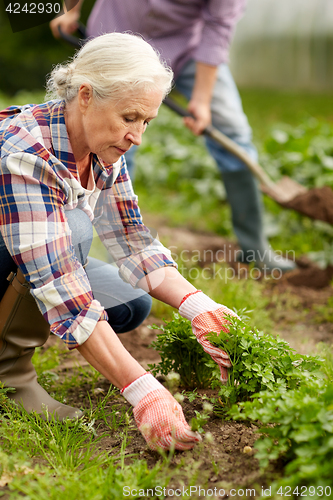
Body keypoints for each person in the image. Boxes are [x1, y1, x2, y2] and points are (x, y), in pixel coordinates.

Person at [0, 32, 240, 451]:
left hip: (29, 255)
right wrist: (143, 390)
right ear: (87, 96)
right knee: (74, 228)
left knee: (130, 302)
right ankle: (9, 374)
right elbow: (61, 285)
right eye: (130, 118)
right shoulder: (25, 152)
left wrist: (201, 308)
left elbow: (134, 242)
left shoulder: (101, 147)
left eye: (146, 121)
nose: (138, 136)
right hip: (24, 256)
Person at [50, 0, 296, 273]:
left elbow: (218, 27)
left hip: (186, 48)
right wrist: (70, 10)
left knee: (232, 130)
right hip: (117, 39)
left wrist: (202, 99)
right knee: (110, 135)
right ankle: (105, 258)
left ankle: (255, 248)